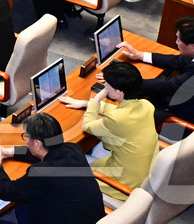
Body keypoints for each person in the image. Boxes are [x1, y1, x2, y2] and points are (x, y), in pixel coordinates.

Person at [0, 112, 106, 224]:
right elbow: (42, 153)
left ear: (37, 143)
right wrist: (8, 151)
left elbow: (6, 191)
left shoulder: (39, 173)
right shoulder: (73, 149)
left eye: (27, 137)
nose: (26, 142)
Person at [61, 61, 157, 199]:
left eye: (107, 84)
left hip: (122, 182)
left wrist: (96, 99)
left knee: (67, 162)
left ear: (119, 91)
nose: (104, 86)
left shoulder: (116, 118)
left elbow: (87, 126)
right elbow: (118, 110)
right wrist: (85, 104)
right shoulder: (146, 105)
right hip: (144, 173)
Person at [118, 16, 194, 128]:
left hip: (192, 119)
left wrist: (124, 82)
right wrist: (140, 55)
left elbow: (169, 86)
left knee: (127, 111)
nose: (176, 42)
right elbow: (177, 61)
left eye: (178, 39)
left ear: (192, 46)